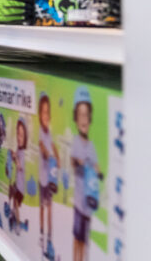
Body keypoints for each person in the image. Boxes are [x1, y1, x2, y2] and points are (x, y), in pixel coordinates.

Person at [70, 87, 103, 261]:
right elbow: (72, 160)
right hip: (78, 203)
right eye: (80, 115)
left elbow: (96, 163)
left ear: (90, 119)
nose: (83, 119)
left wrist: (99, 172)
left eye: (86, 115)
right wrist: (78, 162)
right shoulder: (75, 142)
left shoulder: (91, 146)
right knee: (77, 237)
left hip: (88, 205)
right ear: (76, 118)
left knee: (85, 240)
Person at [38, 93, 60, 256]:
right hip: (42, 178)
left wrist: (57, 157)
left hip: (50, 177)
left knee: (50, 208)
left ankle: (50, 238)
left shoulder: (49, 132)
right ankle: (41, 234)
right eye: (43, 112)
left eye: (48, 112)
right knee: (42, 208)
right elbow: (42, 146)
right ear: (40, 115)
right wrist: (47, 153)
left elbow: (52, 144)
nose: (46, 115)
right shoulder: (40, 131)